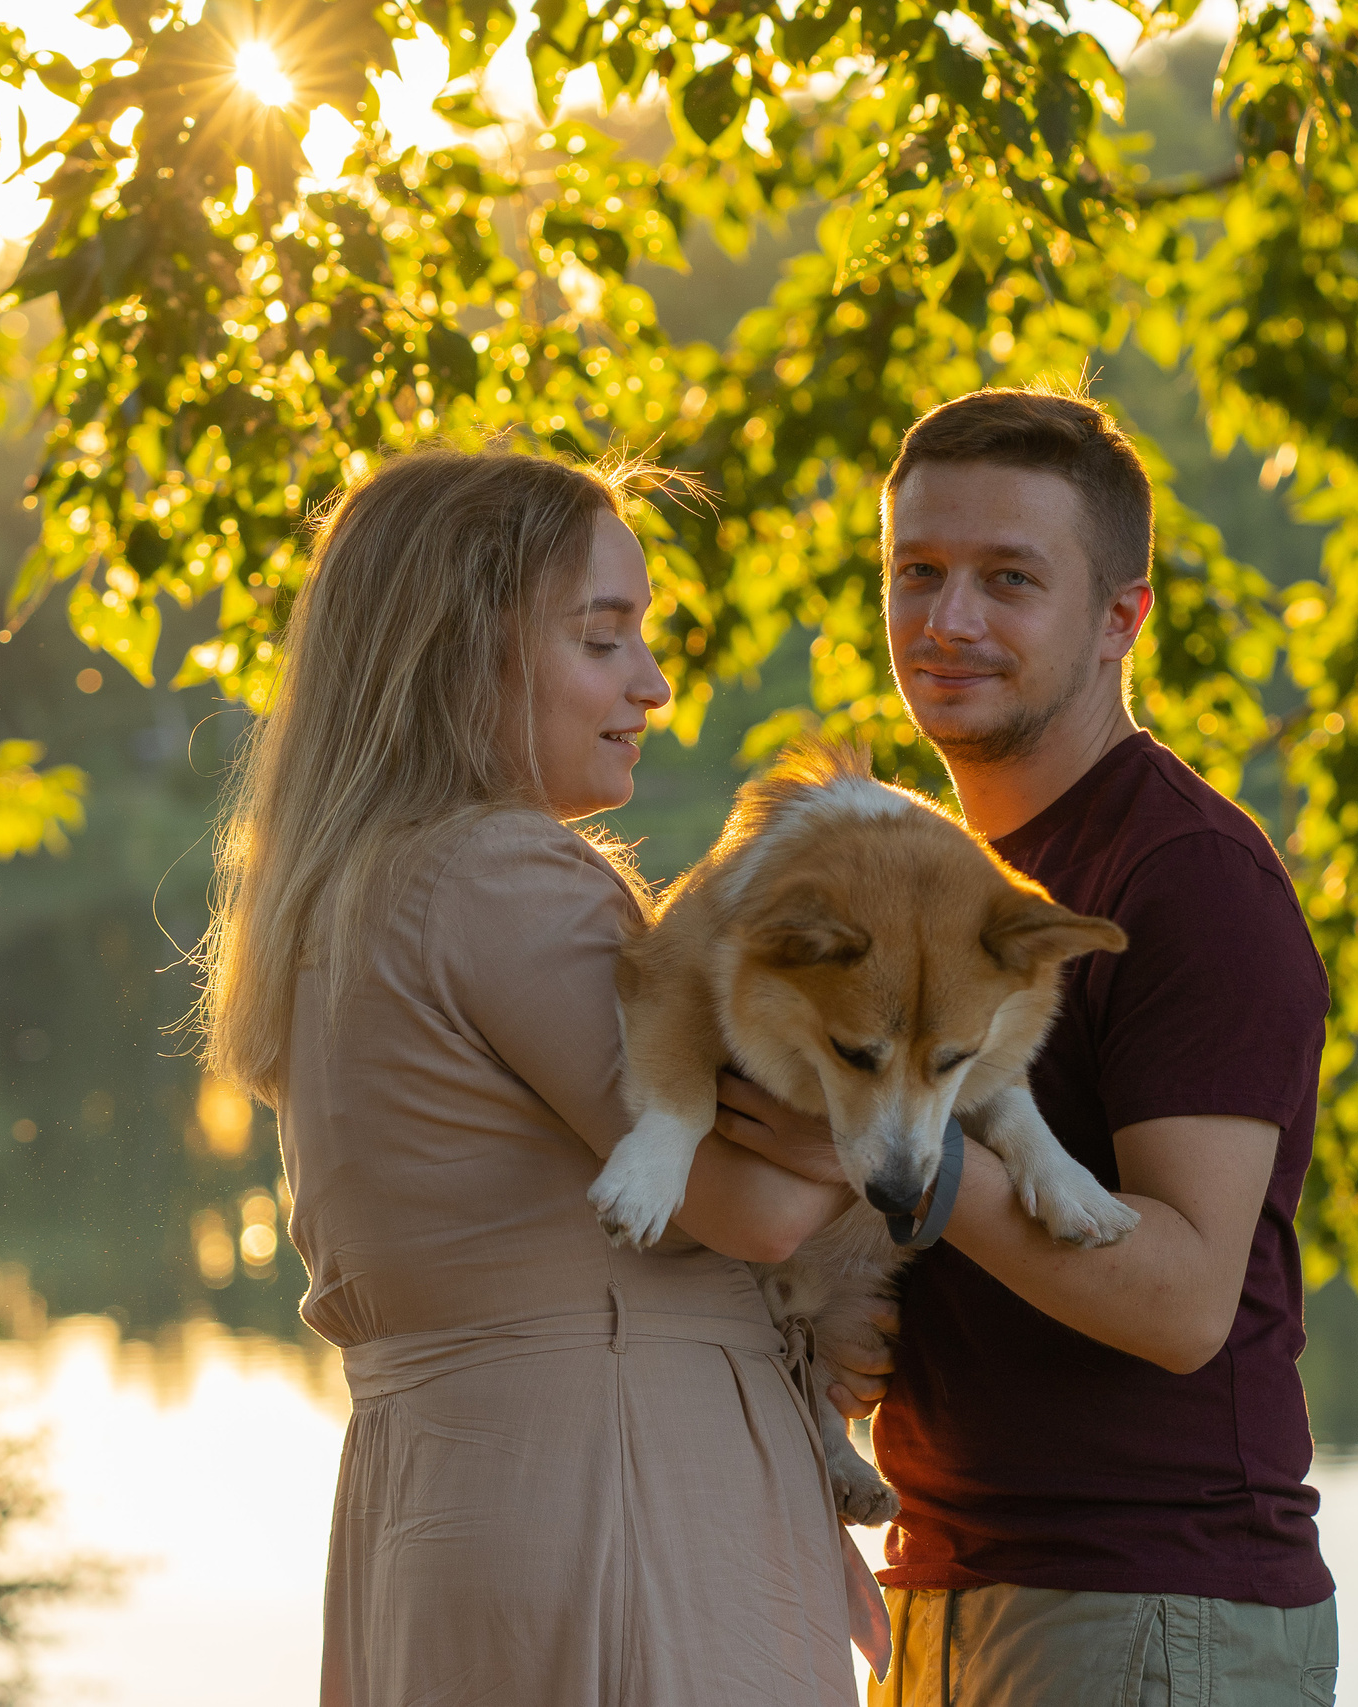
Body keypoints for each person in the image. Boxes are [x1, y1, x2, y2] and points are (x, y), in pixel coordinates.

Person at [197, 446, 879, 1706]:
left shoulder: (350, 896)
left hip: (464, 1497)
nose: (655, 686)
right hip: (611, 1499)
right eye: (602, 639)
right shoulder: (504, 879)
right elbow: (755, 1206)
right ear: (466, 647)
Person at [717, 389, 1340, 1705]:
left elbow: (1180, 1297)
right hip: (944, 1586)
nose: (948, 620)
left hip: (1150, 1604)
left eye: (1009, 579)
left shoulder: (1184, 880)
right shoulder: (926, 877)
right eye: (917, 572)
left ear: (1123, 616)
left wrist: (901, 1153)